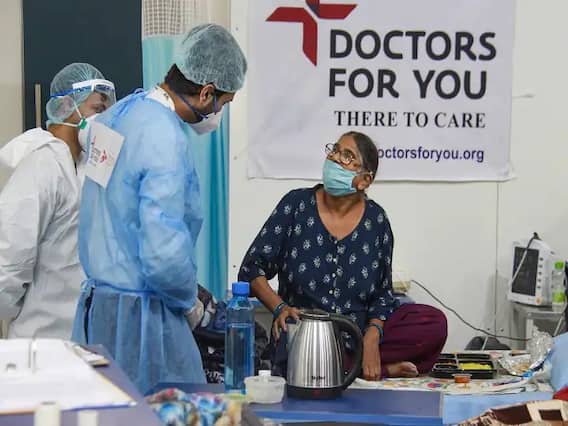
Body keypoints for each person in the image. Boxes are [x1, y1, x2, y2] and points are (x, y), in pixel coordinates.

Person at [71, 23, 247, 394]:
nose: (220, 112)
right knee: (163, 411)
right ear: (206, 93)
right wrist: (189, 303)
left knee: (105, 409)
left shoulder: (119, 115)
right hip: (144, 321)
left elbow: (102, 211)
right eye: (224, 103)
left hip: (98, 311)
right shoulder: (163, 136)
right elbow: (163, 252)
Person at [238, 131, 448, 381]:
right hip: (305, 335)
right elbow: (251, 268)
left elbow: (382, 295)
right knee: (296, 348)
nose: (335, 157)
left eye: (347, 156)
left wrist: (372, 336)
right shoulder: (296, 205)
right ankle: (369, 370)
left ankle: (353, 364)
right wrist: (279, 308)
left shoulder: (376, 221)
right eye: (335, 150)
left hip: (356, 335)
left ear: (364, 180)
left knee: (433, 322)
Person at [0, 63, 116, 339]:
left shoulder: (87, 169)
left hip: (83, 334)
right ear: (65, 106)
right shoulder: (42, 163)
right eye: (98, 109)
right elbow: (9, 259)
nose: (104, 120)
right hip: (40, 337)